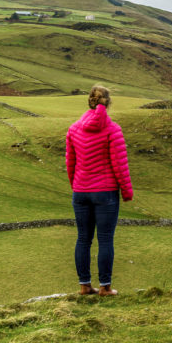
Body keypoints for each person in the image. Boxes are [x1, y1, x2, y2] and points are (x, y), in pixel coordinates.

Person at [65, 84, 133, 296]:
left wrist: (76, 186)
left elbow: (71, 163)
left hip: (81, 191)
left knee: (83, 238)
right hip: (106, 193)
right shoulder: (113, 130)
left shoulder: (74, 129)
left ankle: (85, 286)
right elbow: (119, 164)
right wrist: (127, 191)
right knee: (105, 239)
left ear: (89, 102)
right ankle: (105, 287)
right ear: (108, 103)